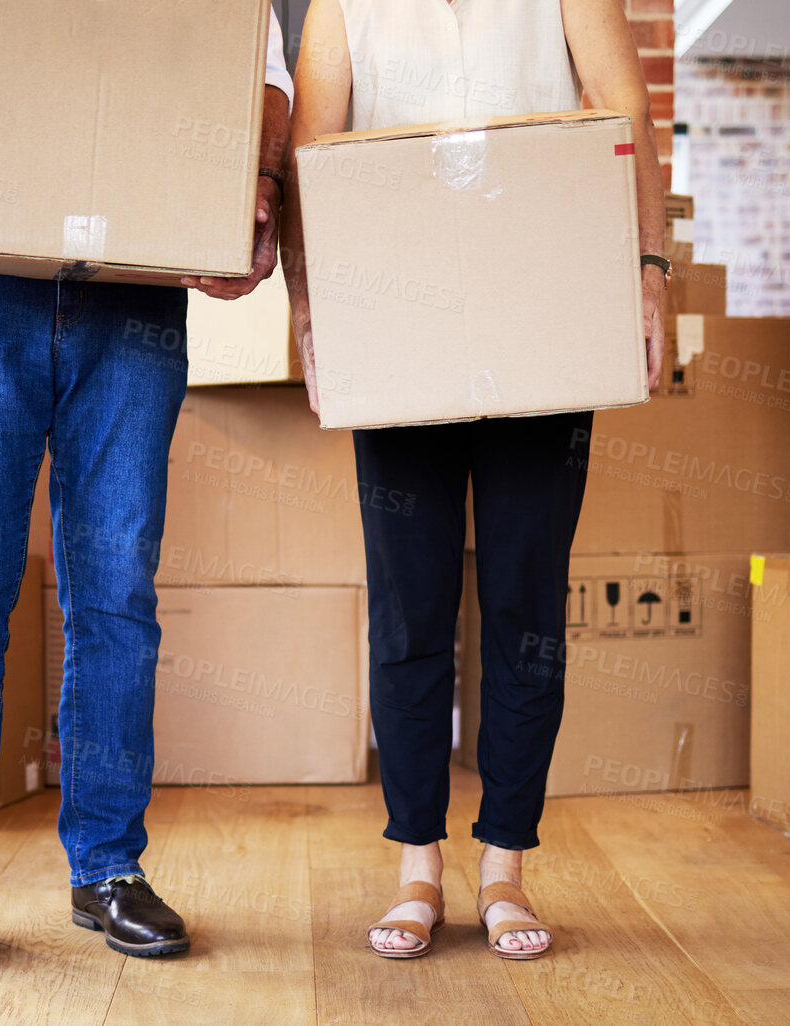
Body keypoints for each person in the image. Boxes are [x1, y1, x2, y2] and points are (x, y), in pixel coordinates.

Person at [0, 3, 293, 977]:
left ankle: (106, 866)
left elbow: (257, 66)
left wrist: (255, 187)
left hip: (133, 290)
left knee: (115, 594)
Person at [283, 0, 667, 960]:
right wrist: (308, 304)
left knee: (524, 606)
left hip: (541, 313)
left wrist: (650, 273)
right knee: (409, 610)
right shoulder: (343, 4)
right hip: (396, 324)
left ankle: (504, 866)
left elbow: (625, 113)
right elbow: (309, 151)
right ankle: (418, 864)